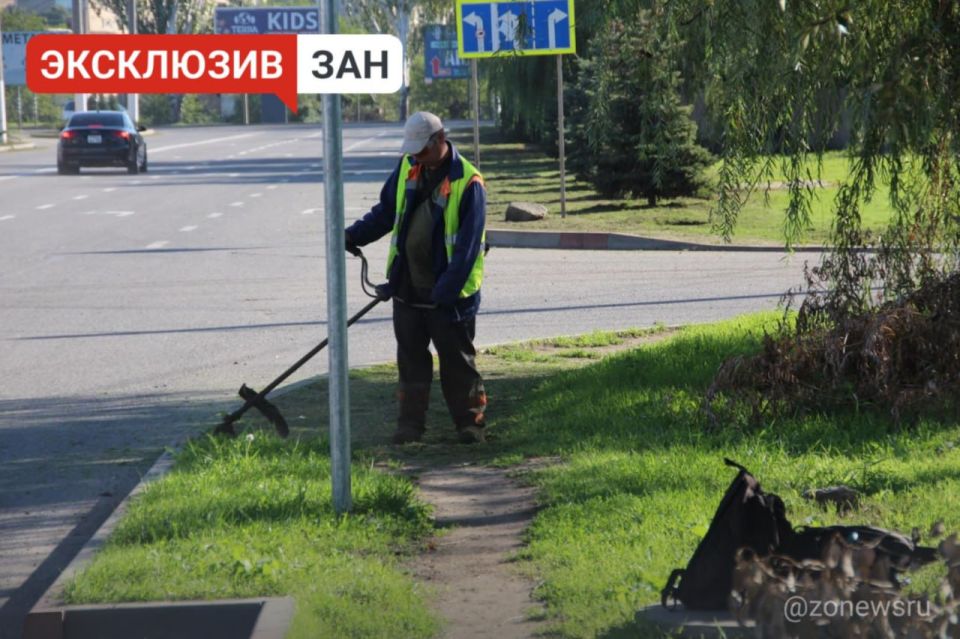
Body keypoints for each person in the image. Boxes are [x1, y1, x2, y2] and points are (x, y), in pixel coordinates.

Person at [345, 112, 488, 444]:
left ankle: (471, 425)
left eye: (422, 150)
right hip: (408, 288)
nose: (417, 157)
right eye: (413, 151)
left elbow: (467, 250)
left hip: (450, 297)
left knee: (458, 363)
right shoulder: (408, 167)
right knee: (410, 363)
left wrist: (445, 292)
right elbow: (385, 212)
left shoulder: (469, 182)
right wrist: (353, 236)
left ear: (440, 139)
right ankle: (410, 427)